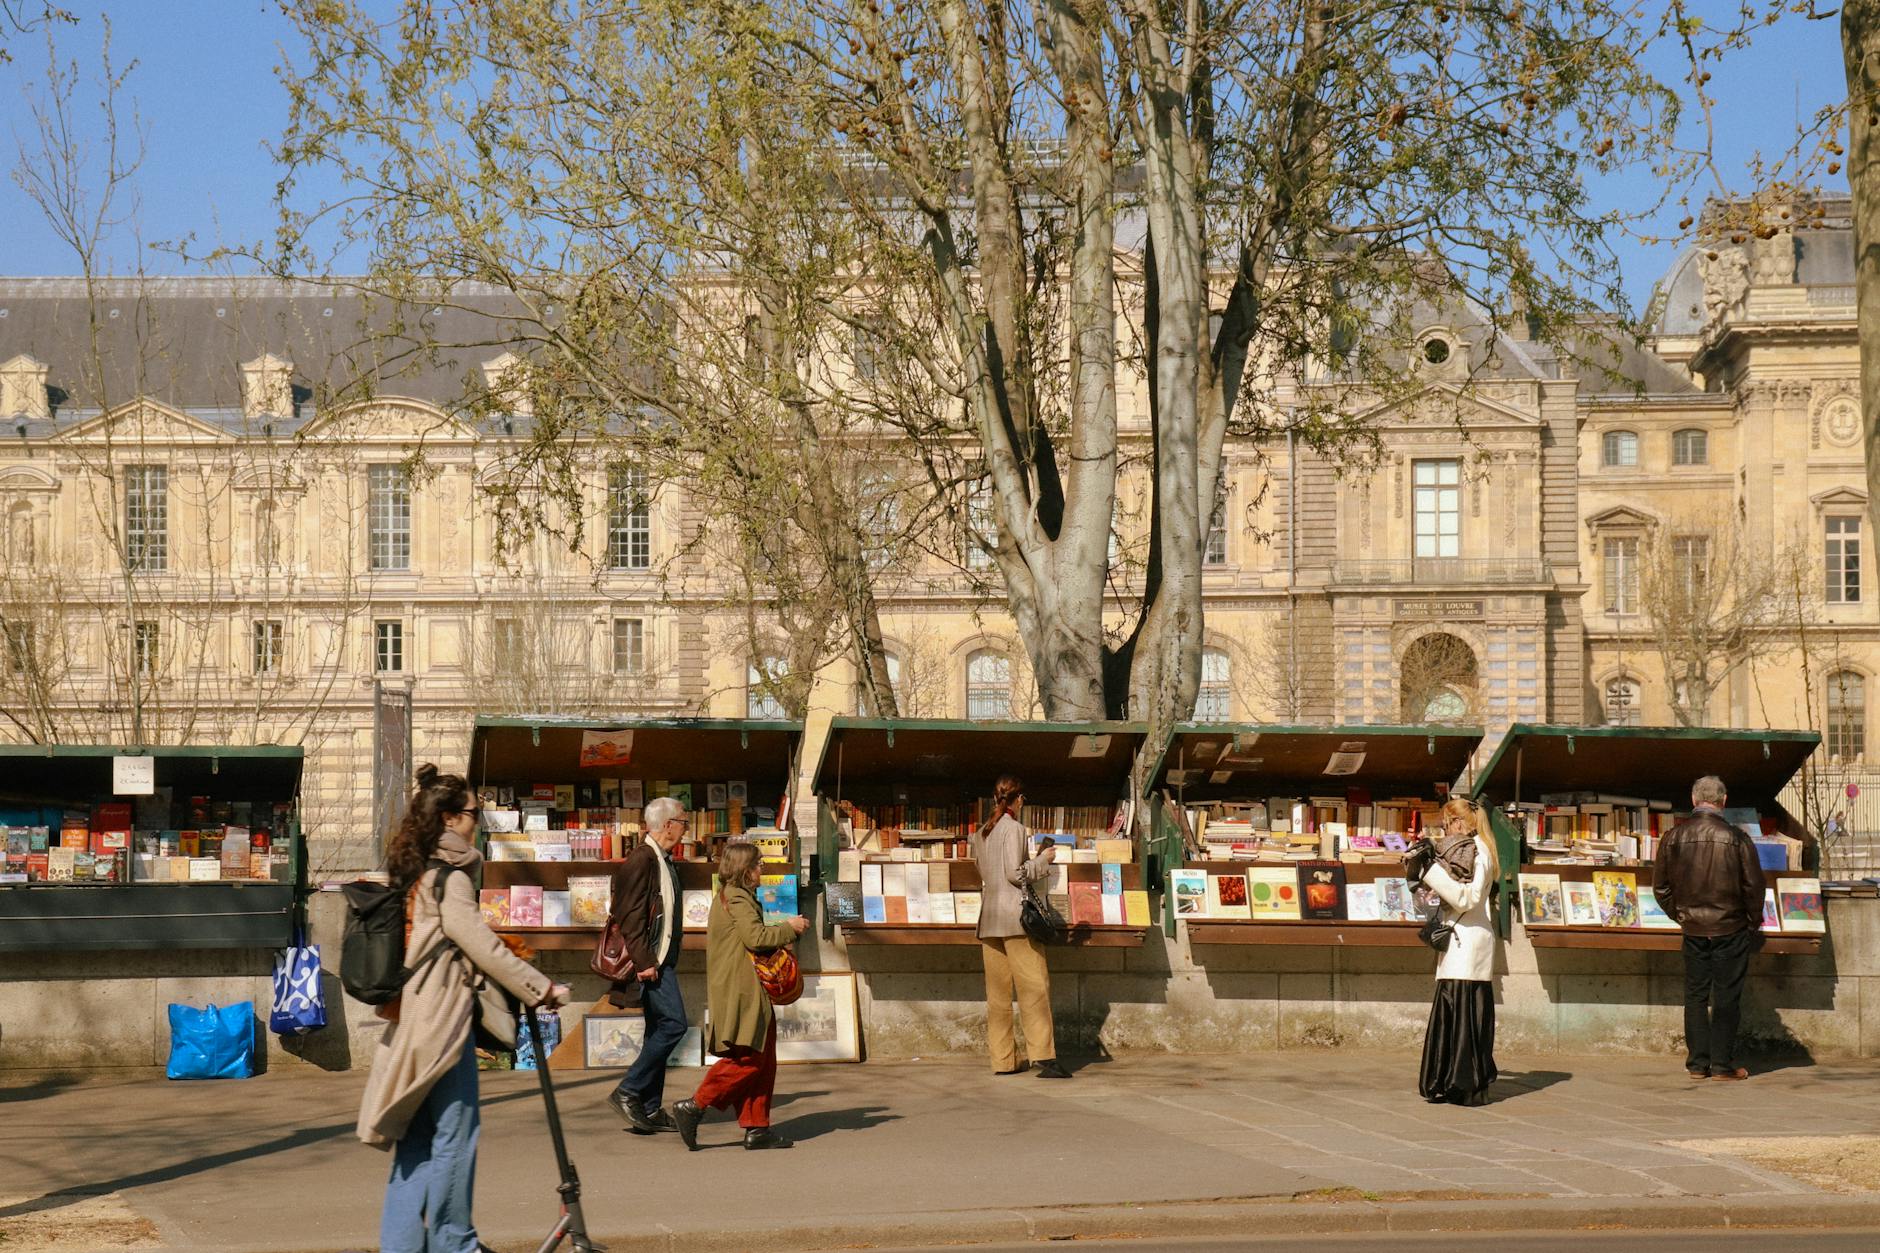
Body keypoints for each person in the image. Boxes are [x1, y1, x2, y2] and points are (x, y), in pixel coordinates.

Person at [358, 765, 571, 1253]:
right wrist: (539, 988)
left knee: (415, 1144)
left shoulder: (412, 870)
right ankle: (456, 1243)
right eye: (476, 813)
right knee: (457, 1135)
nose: (480, 821)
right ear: (452, 818)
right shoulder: (448, 877)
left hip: (411, 1020)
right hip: (441, 1024)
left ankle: (404, 1247)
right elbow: (479, 944)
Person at [670, 841, 809, 1150]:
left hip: (745, 985)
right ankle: (694, 1105)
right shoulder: (737, 898)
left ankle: (757, 1127)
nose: (763, 869)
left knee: (763, 1057)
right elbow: (755, 937)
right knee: (749, 1058)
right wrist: (790, 927)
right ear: (747, 871)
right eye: (759, 865)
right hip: (743, 988)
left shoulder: (736, 896)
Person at [1654, 775, 1766, 1082]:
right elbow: (1754, 887)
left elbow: (1661, 888)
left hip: (1693, 929)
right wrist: (1751, 922)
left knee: (1695, 995)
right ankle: (1721, 1065)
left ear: (1693, 800)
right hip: (1730, 927)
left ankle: (1697, 1064)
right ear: (1723, 801)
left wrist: (1682, 916)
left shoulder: (1673, 837)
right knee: (1727, 996)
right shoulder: (1738, 838)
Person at [969, 773, 1067, 1080]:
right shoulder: (1015, 828)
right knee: (1034, 988)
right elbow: (1016, 873)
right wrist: (1043, 860)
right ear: (1019, 799)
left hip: (990, 920)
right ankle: (1045, 1059)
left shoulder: (982, 832)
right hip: (1017, 919)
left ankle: (1003, 1060)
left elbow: (983, 871)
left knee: (997, 995)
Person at [605, 795, 688, 1134]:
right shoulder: (643, 859)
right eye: (683, 821)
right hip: (652, 962)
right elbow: (627, 914)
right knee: (674, 1025)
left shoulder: (662, 859)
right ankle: (628, 1089)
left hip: (660, 957)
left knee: (658, 1029)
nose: (686, 828)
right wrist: (644, 960)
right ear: (668, 825)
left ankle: (650, 1108)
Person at [1412, 797, 1500, 1106]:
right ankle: (1451, 1080)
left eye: (1447, 825)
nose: (1445, 831)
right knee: (1456, 1012)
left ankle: (1462, 1082)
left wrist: (1431, 872)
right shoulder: (1469, 850)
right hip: (1461, 941)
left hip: (1469, 944)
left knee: (1462, 1014)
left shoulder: (1481, 852)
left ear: (1460, 823)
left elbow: (1467, 900)